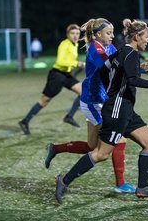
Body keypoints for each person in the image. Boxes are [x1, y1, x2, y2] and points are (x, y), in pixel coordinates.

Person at [54, 19, 148, 204]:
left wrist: (131, 75)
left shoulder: (122, 52)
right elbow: (131, 80)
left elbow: (106, 71)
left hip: (125, 109)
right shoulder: (128, 54)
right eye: (146, 37)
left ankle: (143, 187)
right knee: (100, 154)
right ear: (137, 36)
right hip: (117, 109)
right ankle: (64, 180)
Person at [45, 18, 135, 193]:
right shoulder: (95, 49)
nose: (111, 36)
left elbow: (122, 61)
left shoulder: (109, 47)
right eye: (108, 33)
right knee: (119, 139)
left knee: (91, 146)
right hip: (94, 101)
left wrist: (140, 67)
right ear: (98, 34)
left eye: (112, 32)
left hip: (97, 100)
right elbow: (114, 67)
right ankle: (120, 184)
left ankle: (55, 148)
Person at [18, 24, 84, 134]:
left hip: (66, 75)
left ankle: (69, 116)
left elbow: (68, 62)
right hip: (57, 75)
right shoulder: (64, 44)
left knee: (84, 92)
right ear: (67, 35)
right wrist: (76, 63)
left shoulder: (75, 44)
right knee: (45, 100)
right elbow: (60, 62)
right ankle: (25, 121)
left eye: (77, 33)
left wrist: (74, 66)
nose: (75, 36)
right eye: (72, 33)